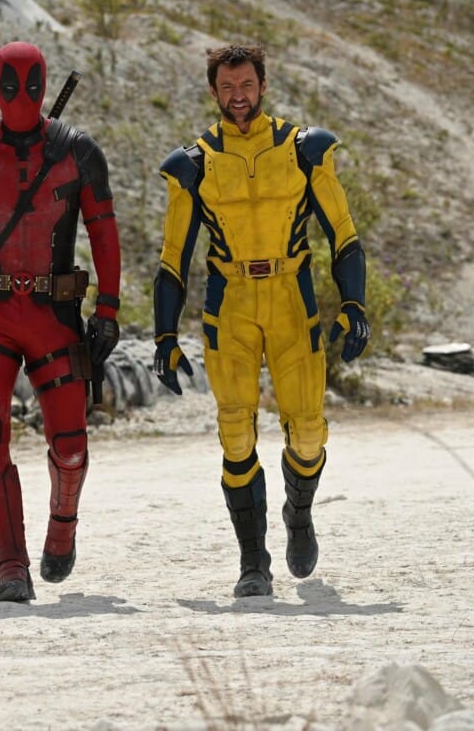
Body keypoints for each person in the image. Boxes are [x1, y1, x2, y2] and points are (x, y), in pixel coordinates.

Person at [153, 44, 369, 598]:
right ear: (213, 91)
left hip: (292, 295)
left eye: (246, 84)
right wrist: (164, 334)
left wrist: (354, 305)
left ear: (263, 85)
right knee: (234, 432)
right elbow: (173, 258)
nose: (238, 95)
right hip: (230, 302)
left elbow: (343, 234)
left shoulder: (305, 150)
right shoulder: (193, 164)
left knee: (309, 431)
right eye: (227, 87)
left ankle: (299, 514)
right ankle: (253, 562)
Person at [0, 41, 121, 602]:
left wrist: (108, 310)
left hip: (55, 317)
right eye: (10, 85)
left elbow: (104, 230)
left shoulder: (79, 152)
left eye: (30, 84)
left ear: (44, 84)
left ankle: (62, 529)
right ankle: (12, 567)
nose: (20, 95)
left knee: (71, 444)